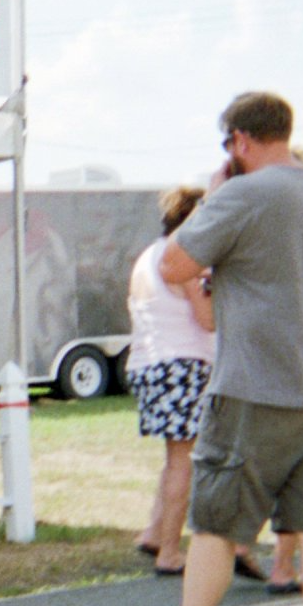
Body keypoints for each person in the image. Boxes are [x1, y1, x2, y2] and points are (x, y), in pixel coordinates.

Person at [109, 91, 303, 606]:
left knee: (217, 521)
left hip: (257, 383)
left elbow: (174, 264)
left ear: (240, 140)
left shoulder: (243, 194)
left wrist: (221, 191)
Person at [126, 187, 219, 575]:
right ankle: (169, 551)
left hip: (147, 361)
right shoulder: (184, 259)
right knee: (185, 461)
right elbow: (207, 320)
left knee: (173, 458)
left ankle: (153, 531)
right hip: (182, 363)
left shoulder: (148, 255)